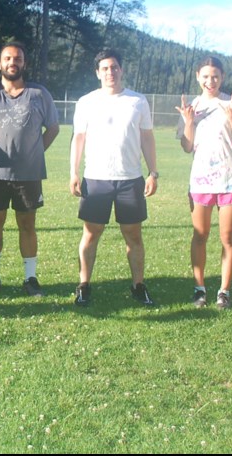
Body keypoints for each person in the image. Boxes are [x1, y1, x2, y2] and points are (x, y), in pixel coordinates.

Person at [0, 42, 59, 297]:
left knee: (27, 224)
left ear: (24, 63)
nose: (12, 62)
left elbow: (53, 128)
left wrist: (36, 152)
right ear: (0, 63)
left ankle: (30, 278)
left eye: (17, 58)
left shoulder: (39, 94)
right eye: (7, 58)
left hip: (28, 176)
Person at [70, 48, 158, 307]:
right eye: (105, 68)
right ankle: (84, 285)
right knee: (91, 233)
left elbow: (147, 138)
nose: (111, 72)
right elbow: (79, 138)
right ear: (98, 73)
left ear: (122, 69)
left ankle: (138, 285)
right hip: (96, 178)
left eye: (114, 67)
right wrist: (73, 172)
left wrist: (153, 172)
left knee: (133, 235)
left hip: (130, 179)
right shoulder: (86, 102)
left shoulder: (138, 101)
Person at [175, 56, 232, 310]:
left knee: (227, 237)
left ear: (223, 77)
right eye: (206, 76)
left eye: (216, 76)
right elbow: (187, 147)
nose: (211, 81)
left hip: (229, 181)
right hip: (200, 183)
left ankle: (224, 291)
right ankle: (199, 289)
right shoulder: (191, 106)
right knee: (200, 235)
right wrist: (188, 122)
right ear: (198, 76)